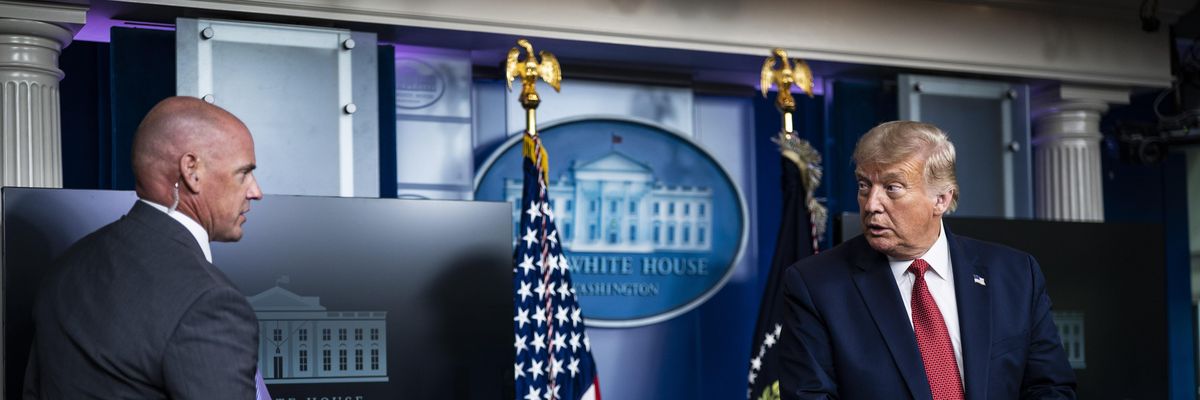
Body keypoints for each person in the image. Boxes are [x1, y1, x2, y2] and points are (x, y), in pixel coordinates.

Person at [777, 121, 1076, 399]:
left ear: (941, 199)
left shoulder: (1015, 275)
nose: (871, 204)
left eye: (892, 188)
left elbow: (1050, 387)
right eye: (864, 185)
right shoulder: (816, 286)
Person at [23, 96, 266, 399]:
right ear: (192, 171)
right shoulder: (209, 302)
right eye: (243, 173)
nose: (256, 192)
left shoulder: (68, 266)